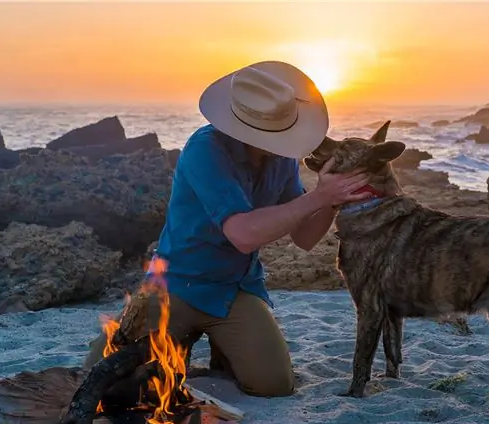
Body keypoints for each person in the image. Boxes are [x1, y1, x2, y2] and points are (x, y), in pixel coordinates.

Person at [83, 61, 371, 397]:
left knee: (274, 384)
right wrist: (319, 196)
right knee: (103, 378)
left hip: (236, 287)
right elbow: (243, 235)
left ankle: (216, 349)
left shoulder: (282, 157)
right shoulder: (205, 149)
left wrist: (332, 198)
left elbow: (305, 237)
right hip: (177, 283)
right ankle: (185, 340)